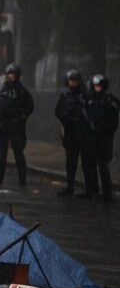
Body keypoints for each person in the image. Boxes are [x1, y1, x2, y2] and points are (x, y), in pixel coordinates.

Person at [0, 63, 34, 187]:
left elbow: (29, 107)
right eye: (9, 74)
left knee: (18, 153)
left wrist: (21, 119)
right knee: (0, 155)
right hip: (2, 127)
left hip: (16, 128)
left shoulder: (22, 91)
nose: (11, 76)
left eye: (13, 74)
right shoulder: (3, 89)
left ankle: (22, 180)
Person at [54, 69, 96, 197]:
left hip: (84, 134)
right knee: (71, 163)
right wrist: (66, 120)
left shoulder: (85, 95)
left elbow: (91, 113)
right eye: (70, 80)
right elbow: (58, 111)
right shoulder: (65, 95)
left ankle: (89, 190)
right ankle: (70, 187)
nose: (72, 83)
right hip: (70, 133)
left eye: (75, 80)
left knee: (86, 163)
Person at [86, 74, 120, 199]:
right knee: (91, 164)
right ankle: (94, 189)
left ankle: (106, 191)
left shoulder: (109, 100)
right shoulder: (90, 100)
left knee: (103, 165)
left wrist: (105, 129)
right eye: (95, 86)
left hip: (104, 138)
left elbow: (113, 119)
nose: (97, 88)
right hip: (92, 137)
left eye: (99, 86)